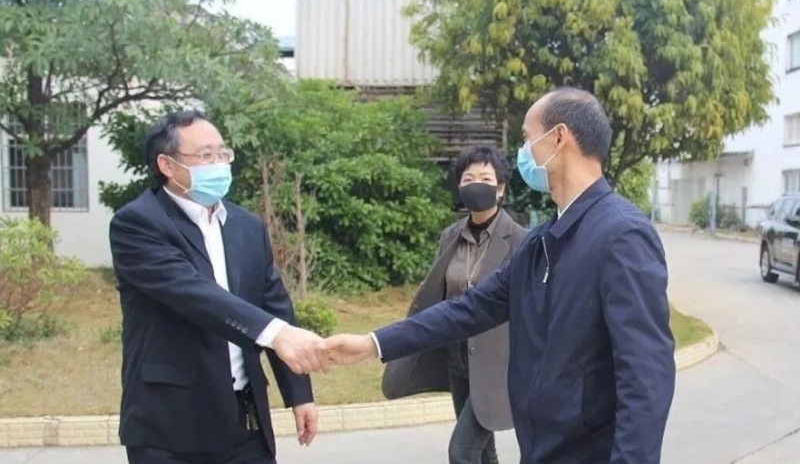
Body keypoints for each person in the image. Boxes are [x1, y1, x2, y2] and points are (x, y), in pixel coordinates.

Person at [325, 87, 676, 464]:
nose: (524, 152)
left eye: (528, 138)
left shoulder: (621, 234)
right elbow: (469, 309)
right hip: (540, 449)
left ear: (558, 137)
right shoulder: (542, 241)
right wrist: (373, 343)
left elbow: (646, 376)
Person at [109, 111, 329, 464]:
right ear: (167, 165)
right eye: (205, 155)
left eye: (223, 153)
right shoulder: (138, 224)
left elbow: (275, 307)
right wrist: (275, 333)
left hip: (244, 421)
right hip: (170, 427)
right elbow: (194, 294)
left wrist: (299, 394)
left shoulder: (246, 226)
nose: (219, 163)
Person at [381, 146, 528, 464]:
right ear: (459, 186)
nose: (476, 185)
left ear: (500, 188)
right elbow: (439, 292)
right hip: (457, 357)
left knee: (462, 451)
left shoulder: (521, 241)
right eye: (468, 178)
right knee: (483, 451)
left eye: (485, 178)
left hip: (499, 362)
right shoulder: (450, 236)